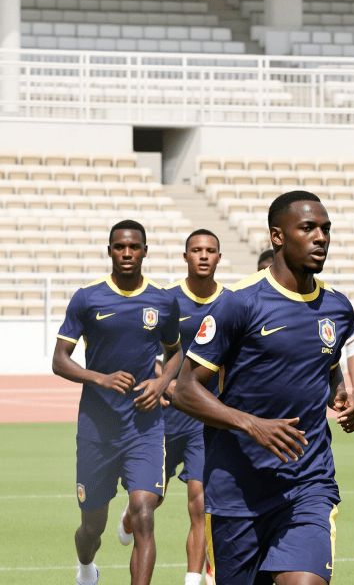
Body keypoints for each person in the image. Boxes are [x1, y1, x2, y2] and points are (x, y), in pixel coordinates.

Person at [173, 191, 354, 585]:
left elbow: (325, 366)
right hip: (235, 491)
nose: (320, 237)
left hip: (307, 484)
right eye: (307, 228)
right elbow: (184, 389)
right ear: (278, 236)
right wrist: (251, 424)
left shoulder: (338, 309)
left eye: (325, 229)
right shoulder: (238, 304)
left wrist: (342, 394)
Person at [52, 220, 182, 585]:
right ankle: (86, 569)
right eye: (120, 247)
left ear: (145, 251)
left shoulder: (162, 299)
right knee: (92, 528)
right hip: (97, 428)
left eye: (134, 247)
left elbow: (176, 353)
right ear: (110, 251)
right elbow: (59, 359)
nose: (127, 253)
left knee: (143, 513)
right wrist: (100, 378)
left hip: (144, 427)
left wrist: (162, 382)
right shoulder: (88, 297)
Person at [118, 229, 223, 585]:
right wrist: (166, 380)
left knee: (200, 500)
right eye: (197, 250)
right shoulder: (165, 301)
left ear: (219, 258)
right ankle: (129, 518)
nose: (204, 256)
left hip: (204, 418)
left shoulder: (232, 303)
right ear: (185, 256)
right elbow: (151, 351)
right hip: (163, 418)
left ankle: (193, 579)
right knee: (150, 502)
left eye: (210, 251)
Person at [262, 247, 354, 420]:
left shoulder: (334, 306)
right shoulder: (242, 303)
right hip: (256, 436)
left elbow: (332, 365)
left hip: (313, 438)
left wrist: (344, 394)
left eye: (326, 230)